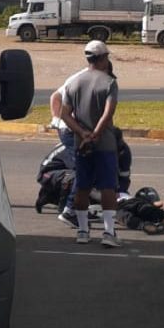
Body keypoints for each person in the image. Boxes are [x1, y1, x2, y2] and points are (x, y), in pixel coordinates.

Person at [60, 40, 121, 247]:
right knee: (108, 187)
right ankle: (109, 232)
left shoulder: (74, 83)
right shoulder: (109, 82)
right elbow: (108, 111)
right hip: (104, 142)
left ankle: (83, 231)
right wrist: (96, 133)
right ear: (103, 58)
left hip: (81, 143)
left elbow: (65, 115)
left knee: (82, 187)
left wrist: (82, 133)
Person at [49, 82, 78, 226]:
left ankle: (72, 208)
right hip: (72, 131)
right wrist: (56, 120)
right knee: (84, 170)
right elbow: (55, 96)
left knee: (85, 169)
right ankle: (70, 209)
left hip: (74, 130)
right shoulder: (81, 77)